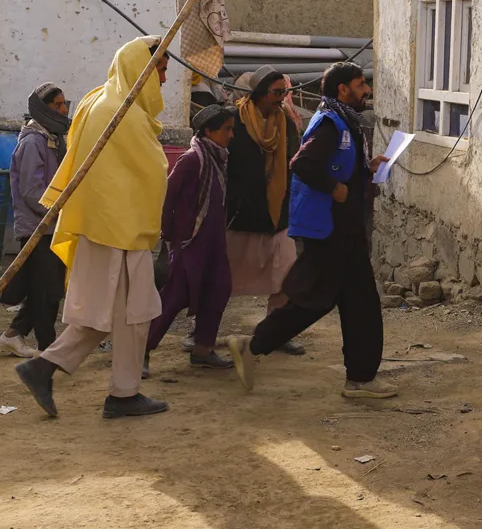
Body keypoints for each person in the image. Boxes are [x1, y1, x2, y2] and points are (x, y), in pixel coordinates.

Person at [15, 37, 171, 420]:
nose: (165, 79)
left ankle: (62, 373)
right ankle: (117, 393)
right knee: (132, 311)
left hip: (109, 224)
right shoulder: (121, 111)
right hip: (115, 227)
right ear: (142, 68)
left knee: (120, 313)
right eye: (162, 69)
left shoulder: (101, 100)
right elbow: (152, 170)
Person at [227, 62, 395, 399]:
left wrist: (367, 169)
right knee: (320, 299)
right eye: (361, 84)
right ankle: (256, 344)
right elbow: (302, 164)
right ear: (342, 89)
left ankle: (359, 378)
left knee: (346, 300)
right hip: (330, 228)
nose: (367, 91)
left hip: (343, 229)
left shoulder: (345, 121)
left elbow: (339, 166)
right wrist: (334, 188)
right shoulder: (329, 123)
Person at [218, 66, 306, 355]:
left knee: (286, 277)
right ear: (258, 93)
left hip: (277, 214)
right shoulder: (234, 122)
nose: (282, 99)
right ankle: (202, 335)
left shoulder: (285, 123)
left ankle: (275, 334)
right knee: (220, 280)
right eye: (276, 93)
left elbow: (294, 161)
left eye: (285, 92)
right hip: (240, 215)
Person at [143, 105, 235, 375]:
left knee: (218, 289)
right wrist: (171, 234)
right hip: (191, 242)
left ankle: (203, 350)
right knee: (175, 297)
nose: (231, 135)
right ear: (209, 131)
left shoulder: (218, 158)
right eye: (227, 129)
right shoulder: (193, 159)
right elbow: (167, 197)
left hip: (214, 242)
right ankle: (141, 352)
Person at [0, 82, 70, 357]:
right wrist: (58, 210)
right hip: (39, 228)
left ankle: (13, 335)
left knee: (42, 287)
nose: (63, 110)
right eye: (57, 105)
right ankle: (48, 347)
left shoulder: (52, 138)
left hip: (51, 225)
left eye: (64, 104)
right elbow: (31, 191)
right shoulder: (33, 142)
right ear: (43, 108)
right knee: (47, 291)